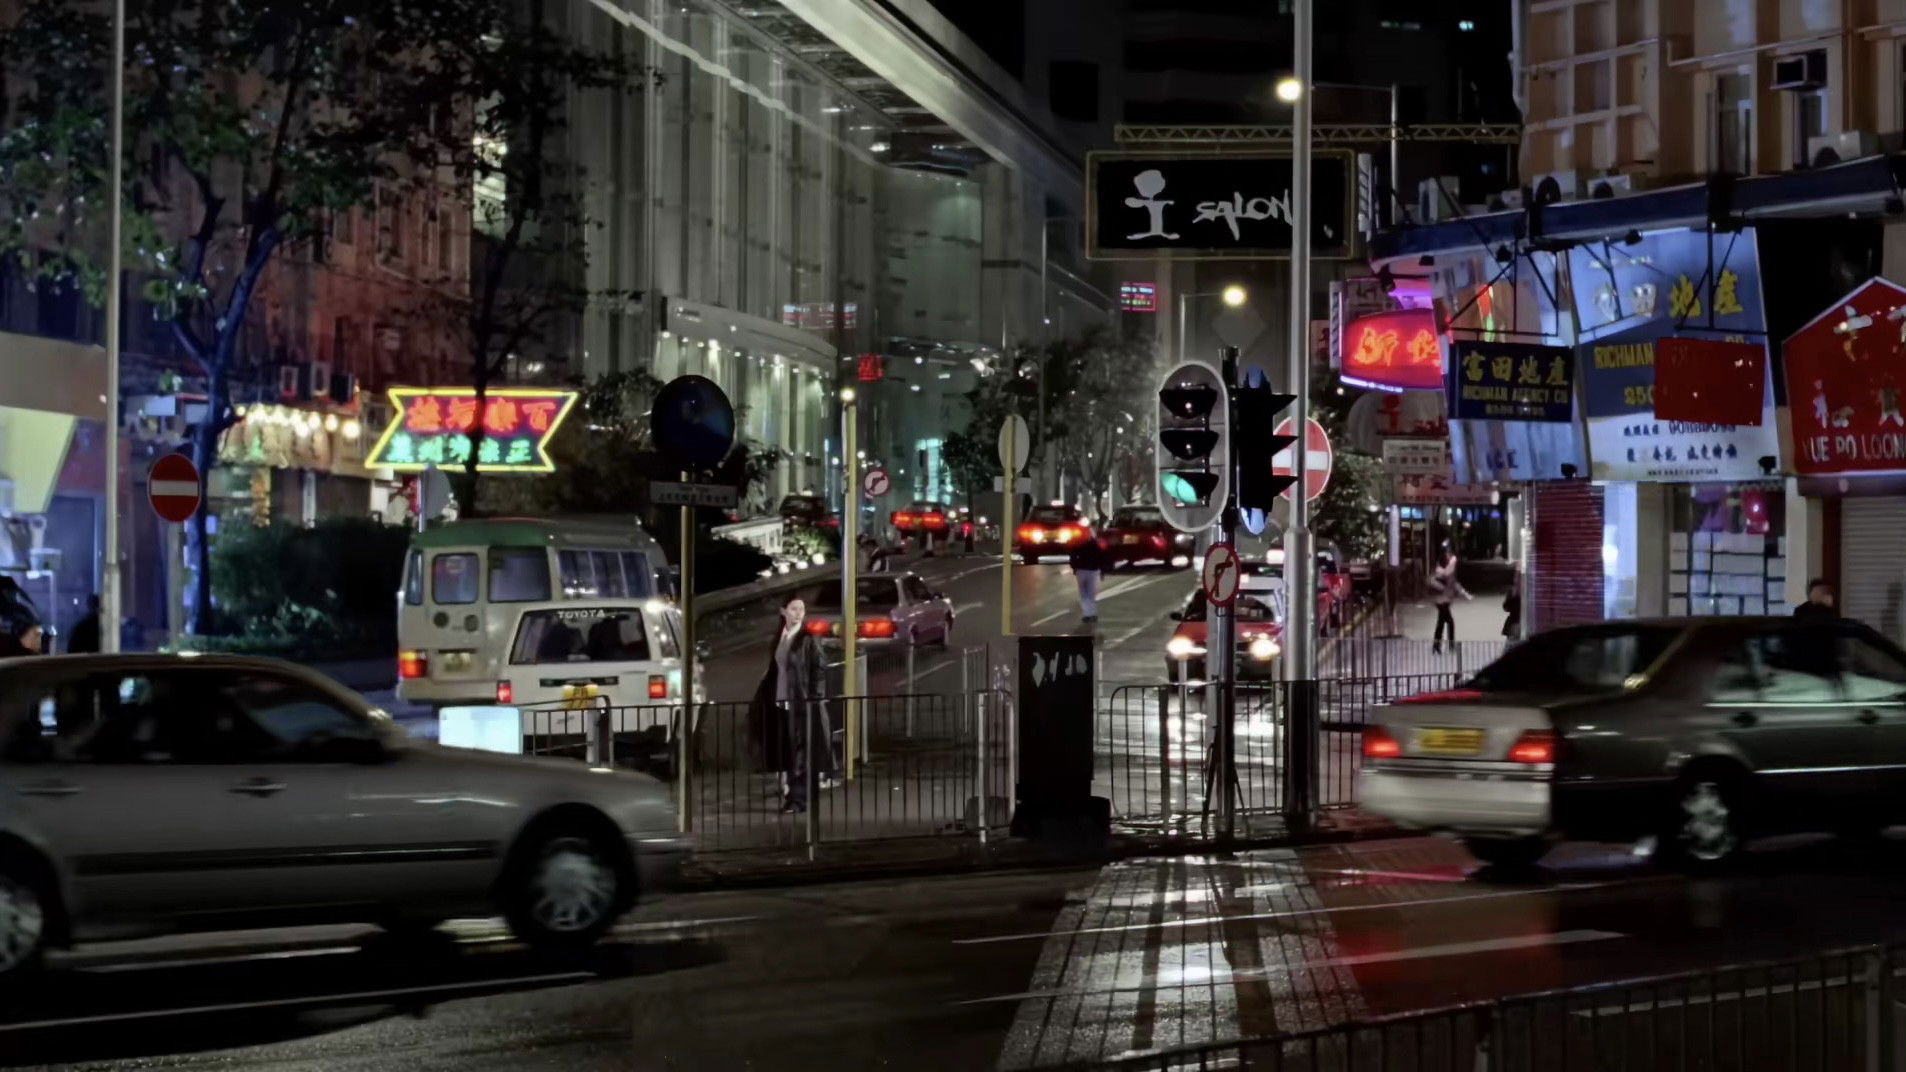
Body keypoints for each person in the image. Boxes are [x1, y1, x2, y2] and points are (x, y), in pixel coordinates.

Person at [747, 595, 836, 812]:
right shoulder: (780, 637)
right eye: (794, 609)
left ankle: (798, 799)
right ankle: (793, 795)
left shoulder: (808, 639)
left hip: (800, 703)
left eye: (801, 609)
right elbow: (776, 669)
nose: (798, 613)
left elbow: (819, 670)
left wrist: (813, 698)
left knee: (800, 751)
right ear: (783, 611)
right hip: (781, 702)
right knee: (787, 749)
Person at [1428, 543, 1471, 654]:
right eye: (1448, 554)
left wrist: (1465, 594)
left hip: (1445, 600)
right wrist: (1442, 587)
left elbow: (1454, 583)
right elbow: (1432, 580)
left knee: (1442, 623)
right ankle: (1447, 646)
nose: (1449, 556)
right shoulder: (1440, 569)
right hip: (1441, 600)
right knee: (1448, 622)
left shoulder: (1448, 570)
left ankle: (1437, 646)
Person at [1070, 535, 1109, 623]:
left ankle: (1087, 614)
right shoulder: (1096, 545)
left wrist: (1074, 567)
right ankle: (1092, 613)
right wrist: (1103, 571)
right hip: (1093, 571)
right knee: (1091, 593)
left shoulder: (1079, 544)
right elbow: (1102, 558)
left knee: (1084, 593)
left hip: (1081, 570)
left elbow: (1073, 556)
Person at [1500, 575, 1521, 640]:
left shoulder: (1530, 591)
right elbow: (1506, 608)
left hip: (1521, 623)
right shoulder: (1511, 592)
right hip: (1514, 623)